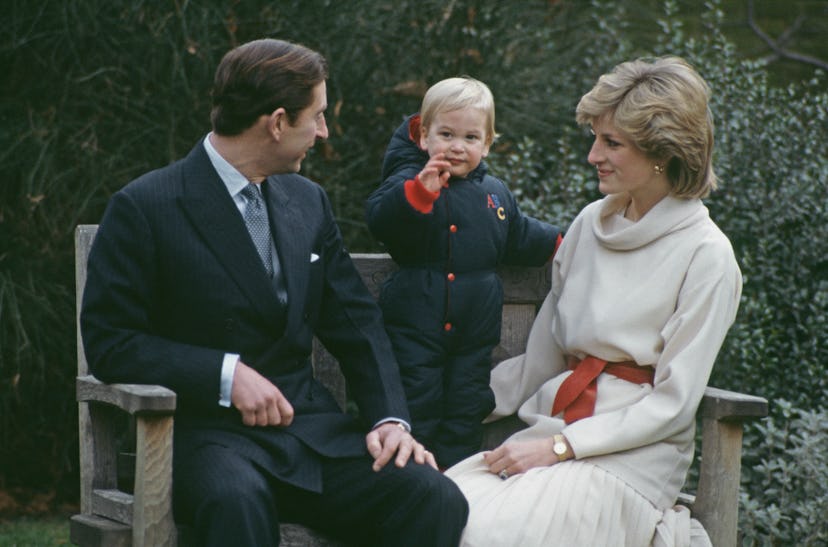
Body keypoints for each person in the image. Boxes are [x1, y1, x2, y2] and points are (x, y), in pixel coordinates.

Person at [80, 38, 468, 547]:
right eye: (318, 117)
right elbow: (112, 342)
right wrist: (226, 374)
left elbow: (356, 323)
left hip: (310, 435)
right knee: (238, 505)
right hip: (208, 439)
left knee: (432, 495)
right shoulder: (146, 206)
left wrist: (390, 419)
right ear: (278, 122)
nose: (324, 132)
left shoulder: (307, 201)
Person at [444, 56, 742, 547]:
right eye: (595, 138)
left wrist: (564, 447)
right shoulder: (589, 224)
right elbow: (541, 358)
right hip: (549, 432)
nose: (592, 155)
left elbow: (674, 403)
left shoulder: (707, 256)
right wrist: (436, 404)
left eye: (611, 143)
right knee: (432, 511)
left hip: (632, 460)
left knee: (487, 534)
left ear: (661, 152)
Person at [365, 77, 562, 468]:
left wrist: (569, 245)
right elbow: (382, 219)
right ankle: (410, 481)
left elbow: (521, 235)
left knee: (464, 411)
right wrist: (421, 193)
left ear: (487, 144)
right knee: (415, 406)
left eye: (471, 137)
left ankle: (457, 485)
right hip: (414, 329)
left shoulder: (494, 193)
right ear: (423, 137)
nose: (457, 146)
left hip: (473, 338)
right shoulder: (409, 181)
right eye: (446, 134)